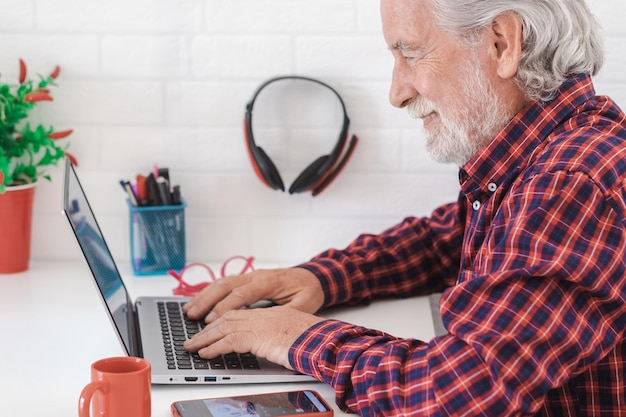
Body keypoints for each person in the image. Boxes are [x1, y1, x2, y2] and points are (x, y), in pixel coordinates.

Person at [184, 0, 626, 415]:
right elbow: (442, 244)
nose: (396, 93)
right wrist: (319, 278)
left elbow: (459, 391)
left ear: (502, 43)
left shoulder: (571, 183)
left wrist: (295, 336)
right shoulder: (545, 153)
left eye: (410, 53)